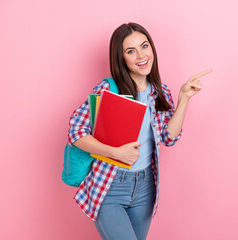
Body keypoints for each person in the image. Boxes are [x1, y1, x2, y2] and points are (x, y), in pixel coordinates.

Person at [67, 22, 212, 240]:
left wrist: (184, 98)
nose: (140, 55)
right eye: (130, 51)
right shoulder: (109, 89)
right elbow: (76, 132)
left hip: (145, 188)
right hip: (110, 186)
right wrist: (116, 153)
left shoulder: (159, 92)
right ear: (121, 58)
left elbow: (168, 137)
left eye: (144, 46)